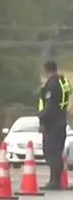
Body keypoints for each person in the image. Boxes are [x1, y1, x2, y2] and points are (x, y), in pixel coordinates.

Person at [37, 60, 71, 190]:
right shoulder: (63, 82)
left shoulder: (52, 85)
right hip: (61, 120)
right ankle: (55, 181)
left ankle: (55, 182)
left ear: (47, 71)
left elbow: (49, 106)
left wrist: (42, 119)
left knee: (52, 152)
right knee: (56, 152)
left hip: (52, 124)